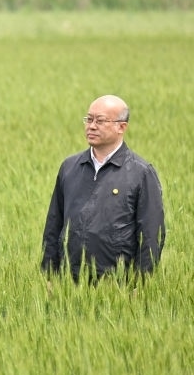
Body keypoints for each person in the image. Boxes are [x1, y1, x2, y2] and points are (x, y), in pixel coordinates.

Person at [41, 95, 166, 283]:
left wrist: (140, 285)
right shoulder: (70, 167)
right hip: (69, 282)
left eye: (100, 121)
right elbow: (53, 225)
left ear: (121, 127)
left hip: (117, 284)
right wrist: (49, 276)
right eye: (89, 119)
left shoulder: (141, 173)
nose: (91, 126)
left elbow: (151, 235)